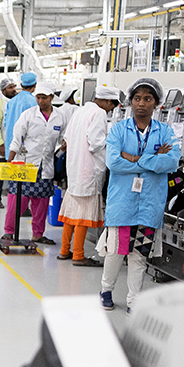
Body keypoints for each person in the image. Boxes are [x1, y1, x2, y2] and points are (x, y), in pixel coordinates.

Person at [98, 78, 180, 312]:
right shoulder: (118, 130)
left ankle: (135, 299)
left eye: (147, 99)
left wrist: (135, 158)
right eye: (137, 98)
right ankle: (106, 289)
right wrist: (154, 161)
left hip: (149, 203)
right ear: (130, 102)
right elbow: (114, 163)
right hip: (122, 202)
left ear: (156, 104)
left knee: (139, 256)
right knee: (114, 251)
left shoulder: (165, 131)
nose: (141, 103)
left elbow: (172, 160)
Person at [57, 86, 121, 266]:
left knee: (71, 213)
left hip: (75, 169)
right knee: (82, 216)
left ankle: (64, 251)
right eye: (112, 107)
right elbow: (96, 143)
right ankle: (78, 255)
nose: (110, 111)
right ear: (108, 102)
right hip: (89, 171)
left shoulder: (79, 111)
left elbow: (67, 139)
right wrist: (114, 141)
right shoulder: (99, 113)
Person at [4, 82, 66, 245]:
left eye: (44, 98)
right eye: (38, 97)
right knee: (17, 201)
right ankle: (9, 232)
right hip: (26, 164)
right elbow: (16, 139)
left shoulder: (59, 116)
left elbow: (61, 139)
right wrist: (8, 162)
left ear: (52, 98)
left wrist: (64, 144)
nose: (40, 101)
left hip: (45, 166)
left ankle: (38, 234)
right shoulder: (28, 115)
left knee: (41, 203)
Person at [0, 77, 18, 209]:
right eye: (10, 88)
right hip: (3, 145)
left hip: (16, 144)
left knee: (16, 172)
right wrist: (0, 144)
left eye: (14, 86)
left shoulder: (17, 102)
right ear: (3, 90)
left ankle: (16, 200)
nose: (13, 90)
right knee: (1, 172)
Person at [2, 72, 38, 163]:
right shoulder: (34, 102)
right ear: (35, 85)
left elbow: (6, 123)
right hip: (27, 149)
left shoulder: (11, 102)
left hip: (11, 148)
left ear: (21, 85)